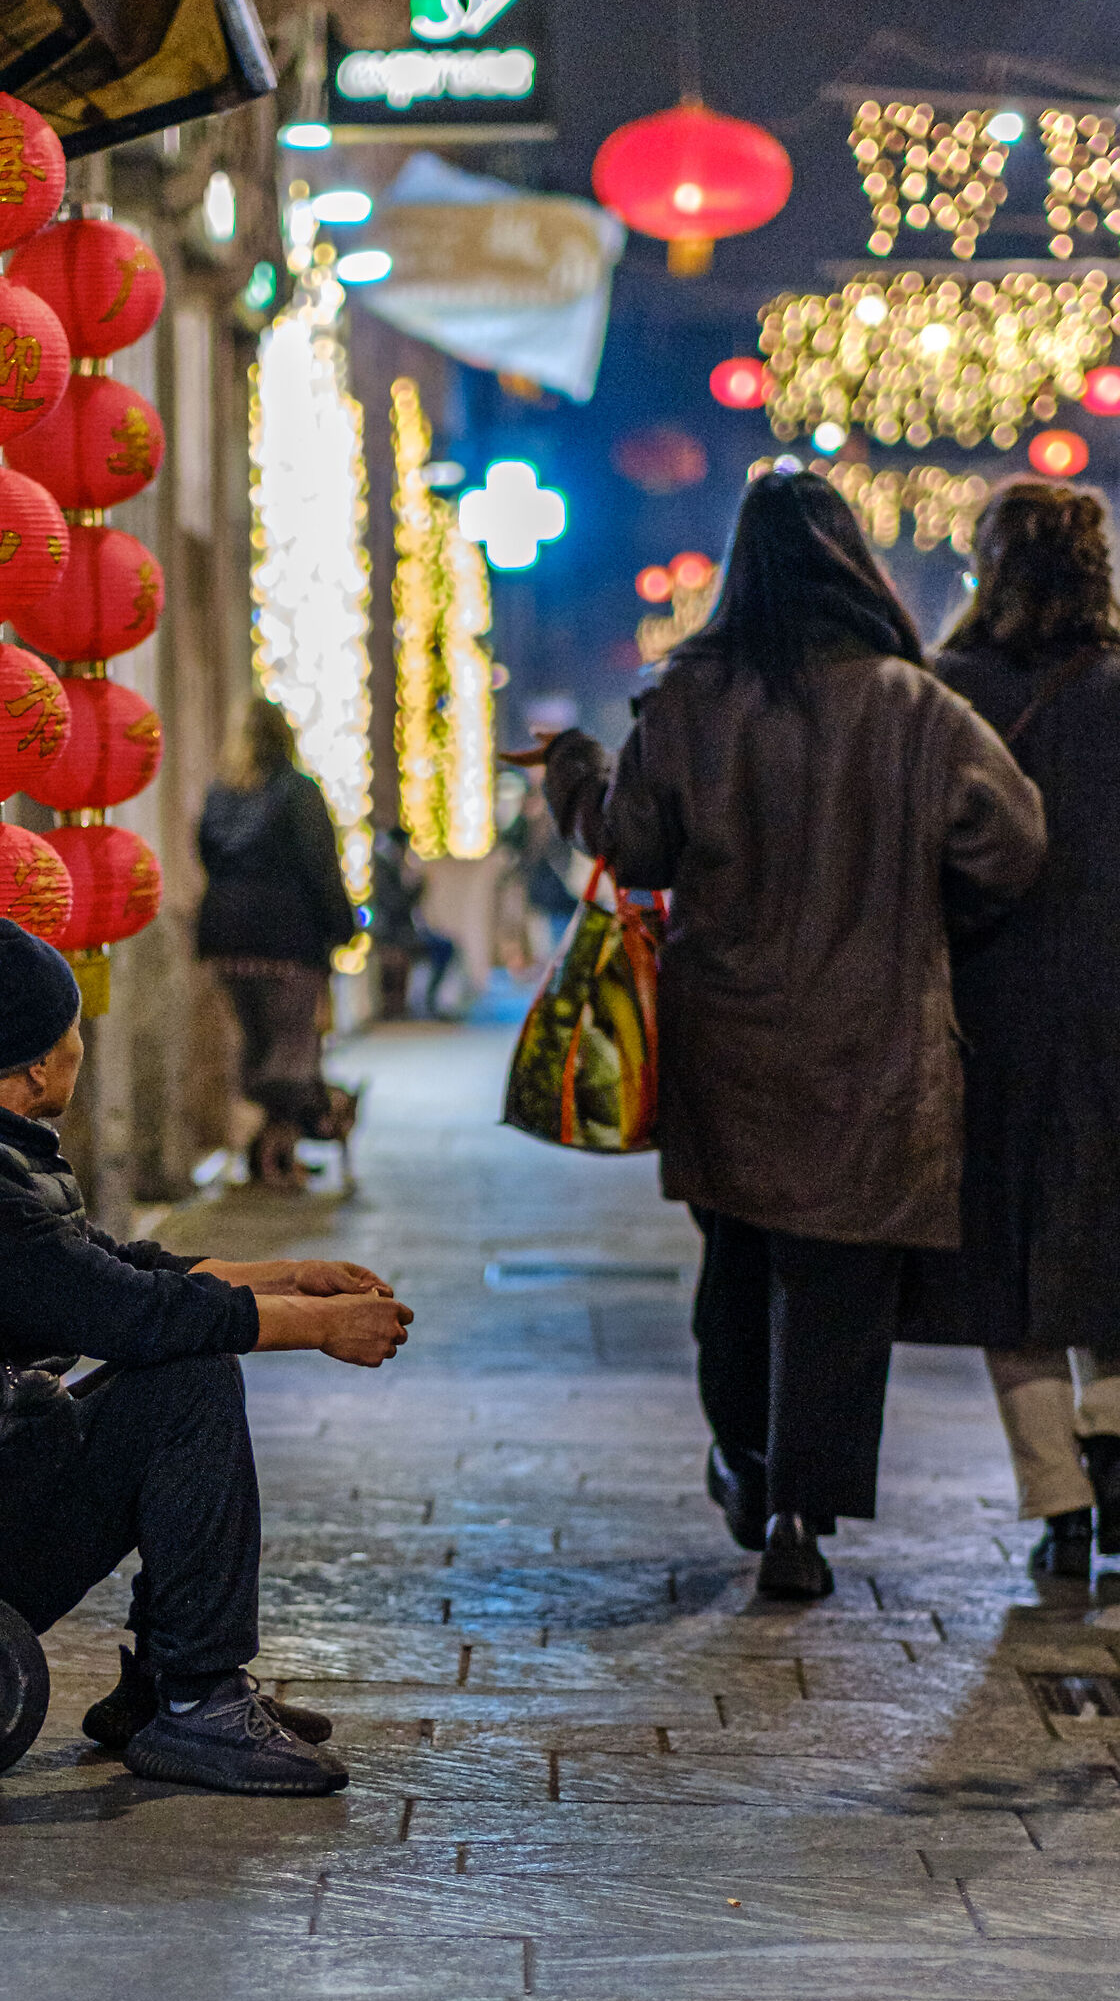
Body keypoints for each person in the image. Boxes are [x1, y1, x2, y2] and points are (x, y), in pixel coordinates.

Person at [536, 470, 1046, 1602]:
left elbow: (636, 844)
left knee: (740, 1263)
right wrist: (929, 918)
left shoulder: (691, 698)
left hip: (731, 1045)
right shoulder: (916, 708)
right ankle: (799, 1515)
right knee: (839, 1287)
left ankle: (747, 1462)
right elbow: (1009, 844)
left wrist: (573, 769)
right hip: (873, 1049)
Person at [0, 919, 413, 1796]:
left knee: (176, 1364)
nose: (82, 1044)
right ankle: (197, 1702)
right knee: (184, 1382)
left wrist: (292, 1278)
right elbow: (124, 1313)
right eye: (73, 1029)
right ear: (41, 1060)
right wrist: (316, 1328)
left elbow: (115, 1270)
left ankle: (163, 1684)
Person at [903, 482, 1120, 1590]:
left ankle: (1060, 1502)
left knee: (1013, 1271)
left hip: (991, 1011)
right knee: (1110, 1245)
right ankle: (1115, 1440)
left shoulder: (951, 695)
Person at [197, 696, 359, 1190]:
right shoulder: (298, 792)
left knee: (257, 1044)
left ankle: (260, 1151)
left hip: (228, 939)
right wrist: (342, 927)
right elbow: (319, 867)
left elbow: (205, 853)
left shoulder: (221, 795)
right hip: (288, 939)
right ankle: (277, 1155)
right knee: (292, 1045)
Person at [371, 826, 457, 1018]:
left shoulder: (394, 866)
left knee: (445, 946)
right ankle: (426, 1001)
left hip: (404, 930)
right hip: (393, 934)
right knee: (440, 948)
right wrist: (417, 888)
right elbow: (395, 904)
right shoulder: (386, 868)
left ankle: (430, 999)